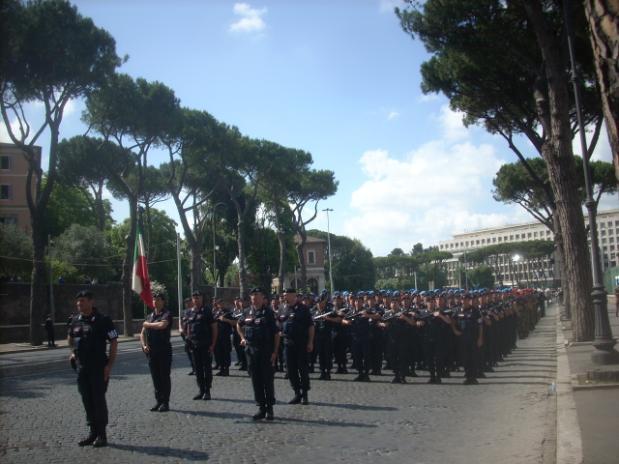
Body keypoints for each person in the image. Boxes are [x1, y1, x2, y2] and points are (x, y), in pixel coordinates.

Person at [68, 290, 118, 447]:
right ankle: (92, 432)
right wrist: (72, 353)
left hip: (98, 368)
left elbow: (114, 342)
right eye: (78, 301)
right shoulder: (75, 320)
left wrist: (109, 366)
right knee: (86, 400)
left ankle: (102, 435)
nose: (79, 304)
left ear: (91, 302)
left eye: (82, 301)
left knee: (98, 400)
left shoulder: (103, 320)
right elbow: (70, 338)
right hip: (82, 368)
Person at [237, 287, 280, 420]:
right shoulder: (247, 312)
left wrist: (275, 352)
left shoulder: (268, 313)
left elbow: (276, 333)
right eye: (253, 295)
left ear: (262, 298)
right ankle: (261, 407)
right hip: (251, 351)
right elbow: (239, 325)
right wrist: (242, 338)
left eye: (257, 295)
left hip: (265, 350)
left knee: (267, 379)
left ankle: (270, 409)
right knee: (256, 380)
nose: (254, 297)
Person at [140, 292, 173, 412]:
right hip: (152, 351)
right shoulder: (150, 316)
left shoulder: (167, 314)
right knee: (155, 377)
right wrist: (143, 345)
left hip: (163, 350)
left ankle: (165, 402)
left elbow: (162, 325)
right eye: (154, 299)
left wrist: (148, 324)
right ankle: (158, 401)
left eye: (158, 299)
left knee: (164, 376)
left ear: (163, 301)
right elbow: (142, 333)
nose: (155, 302)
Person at [281, 288, 315, 405]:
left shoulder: (303, 309)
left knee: (303, 369)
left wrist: (310, 342)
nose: (285, 297)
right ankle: (297, 393)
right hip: (287, 344)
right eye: (284, 295)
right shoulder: (283, 309)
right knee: (290, 370)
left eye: (287, 295)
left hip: (301, 344)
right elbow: (280, 323)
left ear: (293, 295)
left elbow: (310, 326)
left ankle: (305, 394)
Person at [185, 291, 218, 400]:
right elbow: (189, 327)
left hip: (206, 345)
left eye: (198, 297)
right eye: (194, 298)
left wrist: (213, 344)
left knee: (207, 369)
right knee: (197, 369)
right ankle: (201, 390)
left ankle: (207, 391)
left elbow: (214, 328)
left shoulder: (207, 311)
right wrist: (188, 339)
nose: (196, 299)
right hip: (194, 345)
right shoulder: (189, 312)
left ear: (202, 298)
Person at [179, 297, 195, 375]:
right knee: (189, 351)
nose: (188, 304)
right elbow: (181, 322)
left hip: (194, 336)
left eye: (189, 302)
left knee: (195, 353)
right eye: (186, 303)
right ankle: (193, 368)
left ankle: (199, 368)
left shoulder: (194, 311)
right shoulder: (183, 312)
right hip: (186, 336)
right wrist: (181, 329)